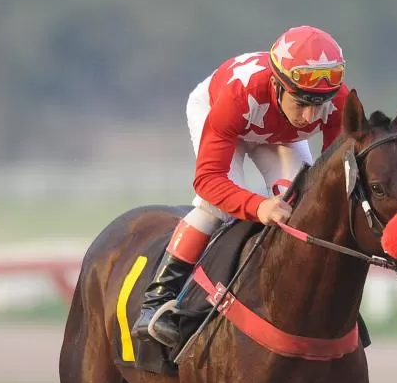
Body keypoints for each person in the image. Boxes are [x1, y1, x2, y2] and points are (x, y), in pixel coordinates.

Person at [131, 24, 350, 349]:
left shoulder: (338, 102)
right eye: (302, 101)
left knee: (301, 205)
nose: (310, 116)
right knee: (216, 207)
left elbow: (334, 177)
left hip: (275, 132)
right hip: (226, 113)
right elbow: (208, 180)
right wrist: (258, 206)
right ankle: (156, 304)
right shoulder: (238, 96)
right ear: (277, 84)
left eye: (321, 102)